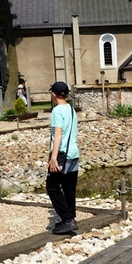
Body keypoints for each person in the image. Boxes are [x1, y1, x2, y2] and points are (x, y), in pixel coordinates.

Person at [46, 81, 79, 234]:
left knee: (52, 187)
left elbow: (58, 135)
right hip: (73, 153)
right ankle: (71, 216)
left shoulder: (57, 111)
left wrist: (53, 158)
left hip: (61, 155)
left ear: (54, 94)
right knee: (69, 188)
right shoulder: (71, 109)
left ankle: (67, 219)